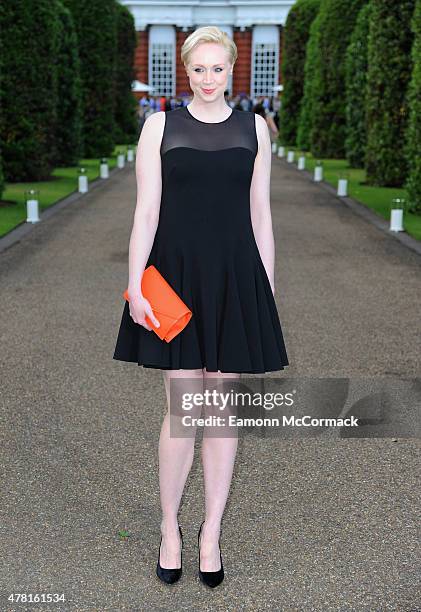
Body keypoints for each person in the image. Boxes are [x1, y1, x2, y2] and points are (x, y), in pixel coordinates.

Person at [113, 26, 289, 588]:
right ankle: (170, 528)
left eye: (218, 70)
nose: (208, 80)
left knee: (220, 412)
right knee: (184, 410)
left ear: (232, 71)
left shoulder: (255, 128)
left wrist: (267, 291)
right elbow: (145, 214)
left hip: (236, 280)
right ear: (185, 72)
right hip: (178, 279)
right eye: (199, 70)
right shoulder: (159, 127)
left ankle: (211, 533)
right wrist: (136, 284)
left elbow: (261, 215)